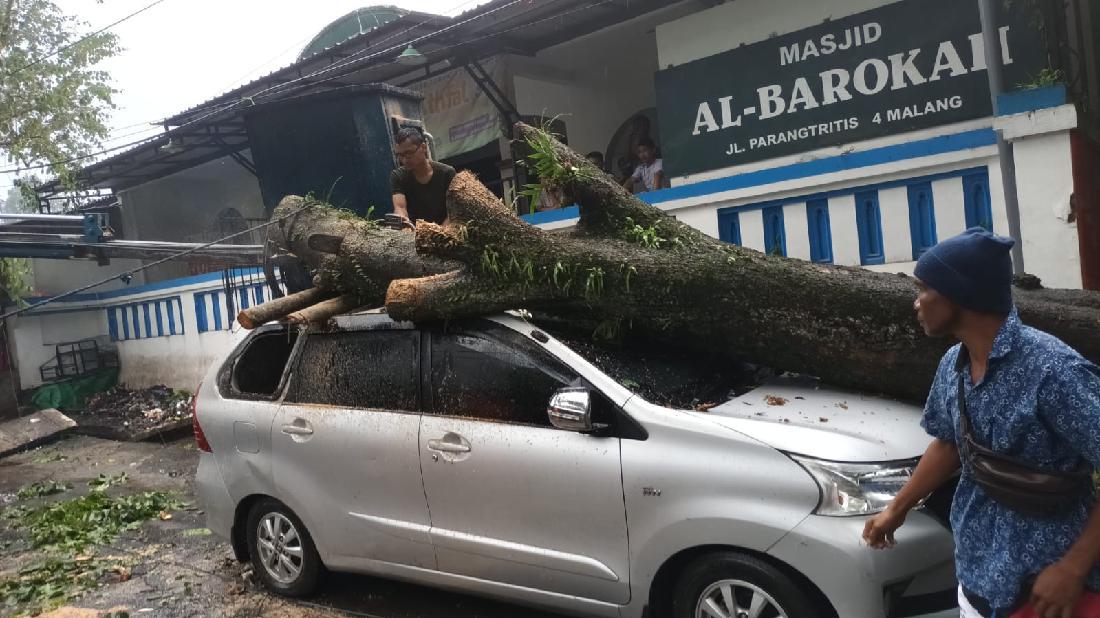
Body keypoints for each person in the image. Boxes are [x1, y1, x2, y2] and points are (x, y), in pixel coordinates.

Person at [862, 228, 1100, 618]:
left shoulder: (1054, 371)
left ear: (960, 295)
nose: (916, 303)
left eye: (924, 289)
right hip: (976, 579)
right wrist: (897, 508)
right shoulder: (953, 364)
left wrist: (1073, 568)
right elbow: (948, 444)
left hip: (1049, 592)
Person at [390, 127, 455, 227]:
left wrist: (441, 233)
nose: (404, 160)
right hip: (416, 233)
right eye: (400, 155)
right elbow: (400, 207)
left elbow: (453, 212)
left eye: (408, 153)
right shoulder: (398, 176)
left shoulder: (447, 173)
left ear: (423, 147)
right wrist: (402, 218)